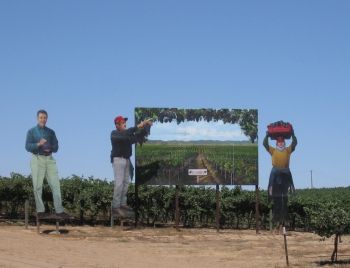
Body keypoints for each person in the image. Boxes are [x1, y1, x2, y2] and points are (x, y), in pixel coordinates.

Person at [25, 110, 70, 219]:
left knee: (56, 184)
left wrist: (50, 147)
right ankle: (40, 211)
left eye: (45, 117)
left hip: (49, 159)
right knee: (37, 186)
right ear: (37, 118)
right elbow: (27, 146)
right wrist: (38, 144)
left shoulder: (51, 132)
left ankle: (59, 210)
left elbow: (56, 147)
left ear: (47, 119)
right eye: (41, 117)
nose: (43, 119)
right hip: (37, 158)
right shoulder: (31, 132)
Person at [110, 115, 152, 217]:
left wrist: (147, 127)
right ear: (117, 125)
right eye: (123, 122)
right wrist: (140, 125)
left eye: (125, 122)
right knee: (119, 183)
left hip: (126, 160)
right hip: (118, 160)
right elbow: (128, 133)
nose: (125, 123)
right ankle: (115, 207)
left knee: (126, 183)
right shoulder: (114, 134)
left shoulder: (127, 135)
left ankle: (122, 204)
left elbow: (138, 137)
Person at [263, 127, 297, 232]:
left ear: (284, 143)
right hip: (275, 173)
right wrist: (267, 135)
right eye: (279, 142)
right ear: (277, 143)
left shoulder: (288, 150)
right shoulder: (273, 150)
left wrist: (293, 133)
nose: (281, 144)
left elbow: (295, 143)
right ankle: (270, 189)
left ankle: (283, 224)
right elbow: (265, 144)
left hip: (285, 173)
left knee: (284, 199)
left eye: (282, 142)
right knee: (276, 198)